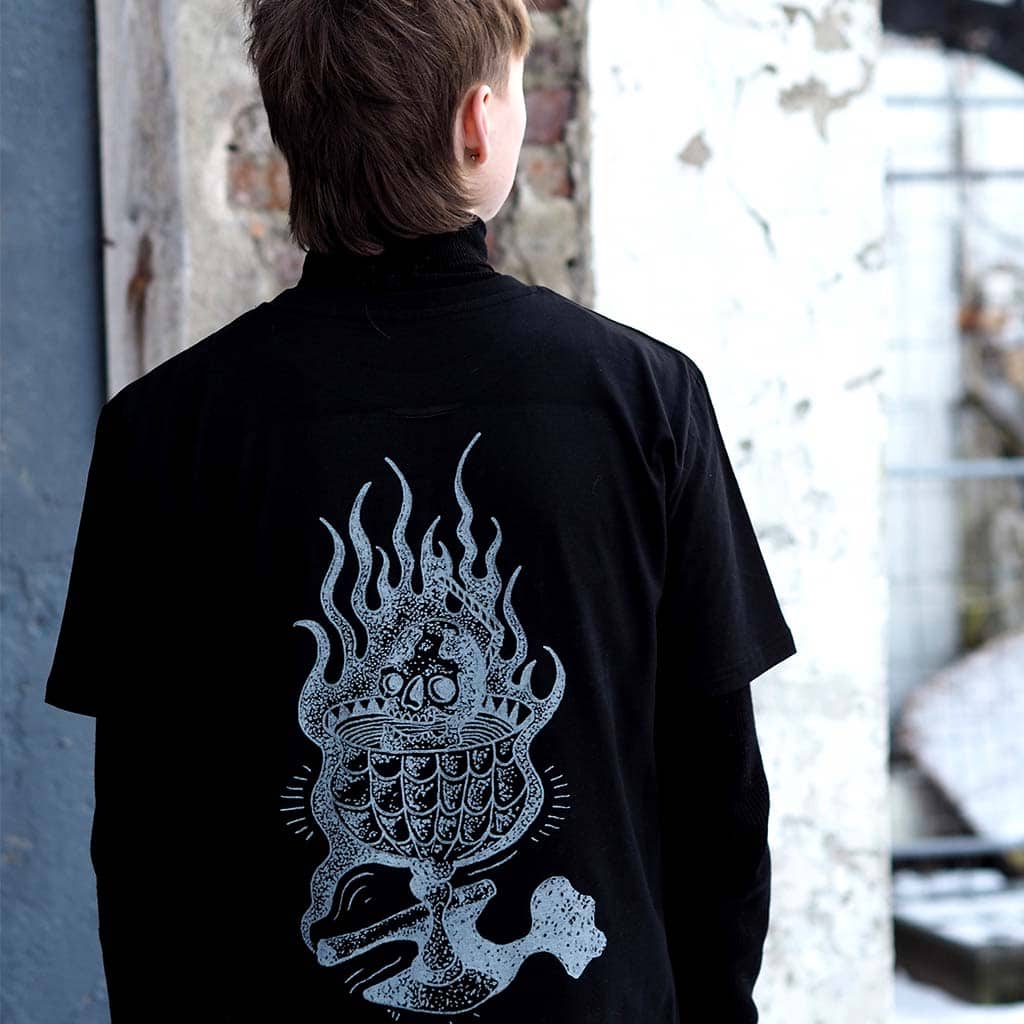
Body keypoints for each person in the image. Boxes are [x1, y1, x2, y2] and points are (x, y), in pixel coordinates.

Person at [43, 1, 797, 1020]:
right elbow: (720, 806)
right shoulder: (646, 400)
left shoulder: (163, 432)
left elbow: (143, 850)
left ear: (291, 133)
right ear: (479, 124)